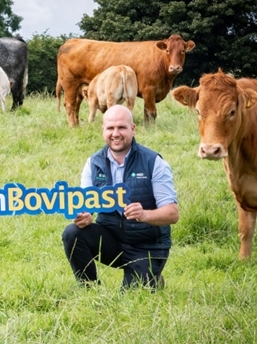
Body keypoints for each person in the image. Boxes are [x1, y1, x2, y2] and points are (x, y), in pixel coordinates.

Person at [61, 105, 179, 290]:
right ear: (103, 130)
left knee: (132, 299)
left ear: (133, 129)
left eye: (122, 127)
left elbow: (172, 214)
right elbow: (85, 205)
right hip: (112, 240)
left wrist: (144, 215)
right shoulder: (93, 163)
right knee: (72, 233)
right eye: (110, 128)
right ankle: (90, 290)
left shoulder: (153, 162)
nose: (115, 133)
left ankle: (152, 277)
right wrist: (83, 216)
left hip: (147, 245)